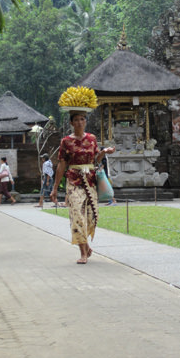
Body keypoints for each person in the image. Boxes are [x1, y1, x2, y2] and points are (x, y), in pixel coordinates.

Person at [51, 111, 115, 264]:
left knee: (91, 216)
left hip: (91, 180)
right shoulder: (66, 142)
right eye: (76, 120)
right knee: (77, 215)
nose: (79, 122)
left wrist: (104, 152)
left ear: (85, 121)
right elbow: (61, 164)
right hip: (74, 181)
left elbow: (95, 159)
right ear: (71, 123)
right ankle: (83, 253)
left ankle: (85, 244)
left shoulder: (91, 138)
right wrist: (54, 188)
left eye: (82, 119)